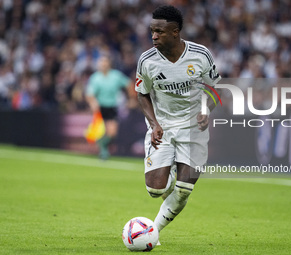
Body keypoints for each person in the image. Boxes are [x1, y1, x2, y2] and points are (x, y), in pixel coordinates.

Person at [135, 5, 221, 239]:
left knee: (183, 190)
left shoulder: (200, 55)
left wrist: (206, 109)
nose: (153, 36)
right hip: (163, 126)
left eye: (159, 31)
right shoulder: (147, 60)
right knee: (155, 189)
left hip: (194, 128)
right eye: (152, 31)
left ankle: (152, 231)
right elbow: (142, 93)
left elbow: (215, 88)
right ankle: (170, 168)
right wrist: (153, 124)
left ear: (175, 32)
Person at [86, 55, 133, 159]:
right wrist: (93, 102)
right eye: (101, 62)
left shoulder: (116, 76)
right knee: (100, 131)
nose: (103, 64)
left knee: (112, 133)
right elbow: (89, 94)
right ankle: (103, 151)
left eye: (105, 62)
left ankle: (103, 146)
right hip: (99, 107)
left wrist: (131, 99)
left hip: (112, 106)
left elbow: (129, 84)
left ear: (109, 64)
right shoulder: (95, 77)